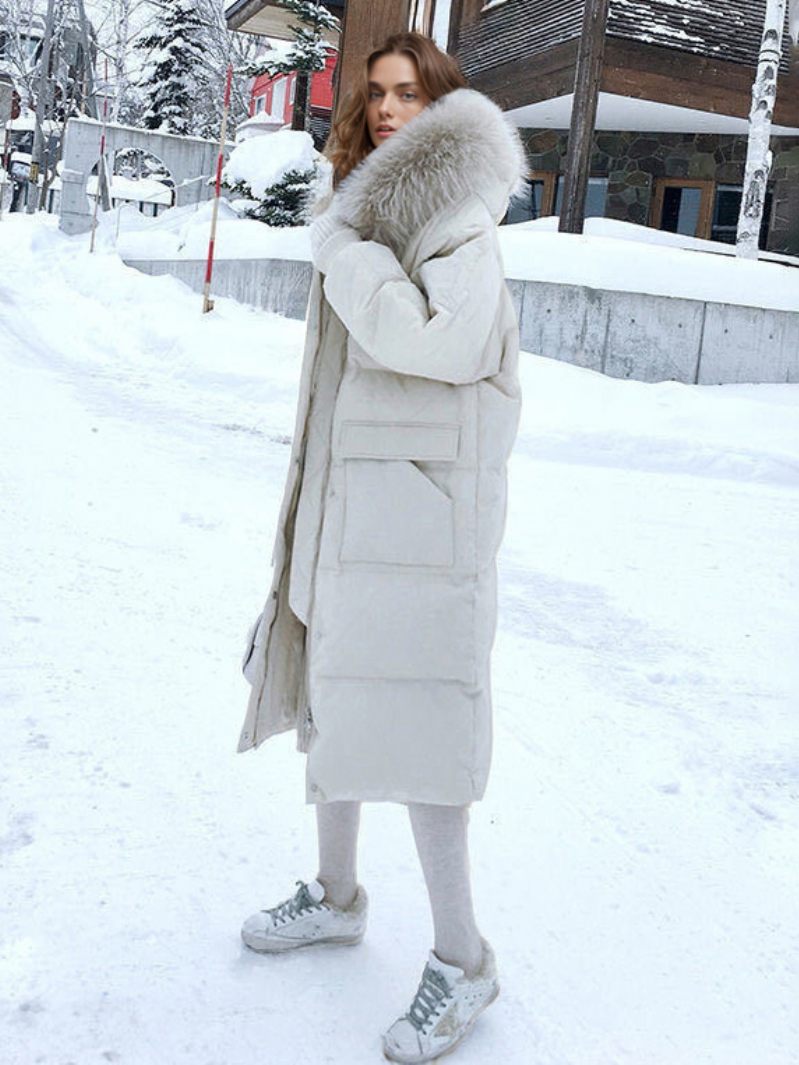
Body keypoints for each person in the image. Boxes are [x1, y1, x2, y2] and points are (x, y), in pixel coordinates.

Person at [238, 31, 525, 1064]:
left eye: (409, 93)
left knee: (425, 743)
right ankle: (338, 893)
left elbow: (428, 341)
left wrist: (350, 256)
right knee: (341, 701)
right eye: (375, 95)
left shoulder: (458, 222)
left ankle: (463, 957)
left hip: (417, 533)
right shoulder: (373, 214)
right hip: (356, 514)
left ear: (443, 102)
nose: (388, 110)